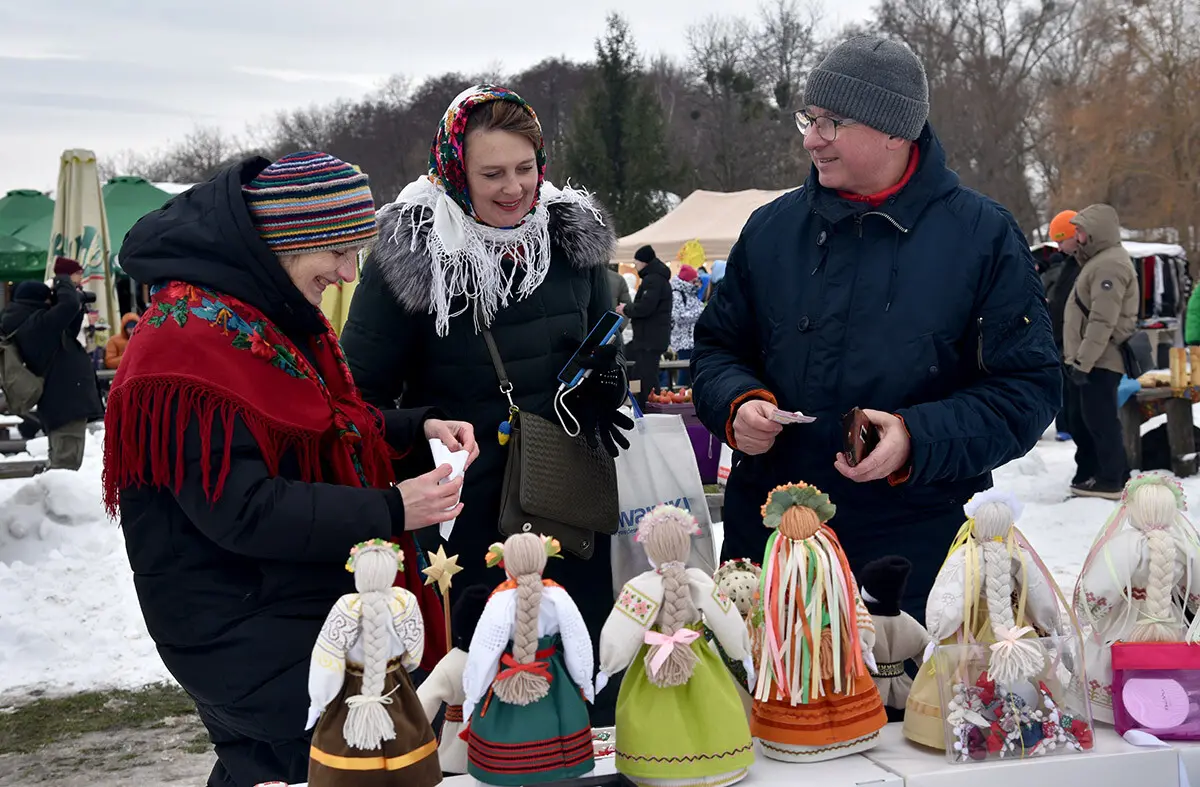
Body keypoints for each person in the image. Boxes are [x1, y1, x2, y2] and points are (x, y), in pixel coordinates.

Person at [104, 150, 478, 787]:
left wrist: (414, 427)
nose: (348, 272)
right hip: (237, 621)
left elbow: (311, 424)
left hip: (285, 603)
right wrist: (392, 507)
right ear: (287, 238)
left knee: (281, 765)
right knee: (320, 763)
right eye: (338, 251)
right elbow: (242, 506)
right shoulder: (187, 341)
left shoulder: (263, 312)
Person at [690, 36, 1060, 621]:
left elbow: (1027, 389)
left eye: (831, 122)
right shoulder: (770, 230)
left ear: (894, 131)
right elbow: (715, 350)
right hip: (770, 549)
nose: (811, 139)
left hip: (913, 566)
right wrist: (735, 404)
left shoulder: (982, 236)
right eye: (808, 119)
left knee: (900, 686)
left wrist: (917, 437)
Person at [339, 86, 630, 726]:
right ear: (454, 170)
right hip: (466, 519)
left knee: (578, 663)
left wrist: (603, 382)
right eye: (492, 173)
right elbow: (356, 400)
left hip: (567, 497)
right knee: (482, 684)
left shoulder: (569, 239)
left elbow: (598, 339)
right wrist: (420, 434)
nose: (514, 188)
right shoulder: (413, 255)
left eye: (525, 168)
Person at [1062, 204, 1138, 500]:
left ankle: (1110, 479)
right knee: (1091, 419)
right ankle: (1111, 474)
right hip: (1095, 358)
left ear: (1096, 232)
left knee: (1100, 420)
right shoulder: (1100, 261)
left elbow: (1102, 320)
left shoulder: (1109, 265)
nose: (1077, 237)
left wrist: (1082, 362)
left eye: (1080, 231)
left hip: (1100, 360)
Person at [0, 258, 103, 469]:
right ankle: (56, 491)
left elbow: (68, 331)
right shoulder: (36, 325)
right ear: (40, 301)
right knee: (65, 465)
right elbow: (68, 306)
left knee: (63, 460)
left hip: (61, 400)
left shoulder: (27, 323)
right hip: (65, 401)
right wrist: (63, 279)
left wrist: (75, 304)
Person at [620, 244, 672, 407]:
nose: (635, 266)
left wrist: (626, 309)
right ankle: (646, 403)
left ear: (644, 262)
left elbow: (646, 307)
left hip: (649, 338)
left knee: (646, 375)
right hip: (651, 337)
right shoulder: (657, 278)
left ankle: (649, 405)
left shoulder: (652, 280)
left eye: (636, 262)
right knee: (642, 373)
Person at [1046, 210, 1082, 441]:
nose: (1058, 248)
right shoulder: (1069, 264)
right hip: (1062, 342)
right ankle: (1065, 427)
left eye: (1061, 241)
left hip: (1078, 346)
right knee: (1065, 391)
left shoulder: (1086, 265)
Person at [669, 264, 704, 387]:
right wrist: (700, 312)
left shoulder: (692, 293)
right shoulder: (677, 294)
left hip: (694, 340)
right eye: (694, 280)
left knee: (692, 374)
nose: (696, 283)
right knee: (684, 373)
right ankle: (681, 395)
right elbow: (678, 316)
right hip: (683, 342)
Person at [606, 263, 633, 350]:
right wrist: (617, 329)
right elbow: (626, 308)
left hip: (583, 334)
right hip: (611, 333)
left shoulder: (577, 276)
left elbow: (626, 308)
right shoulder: (617, 279)